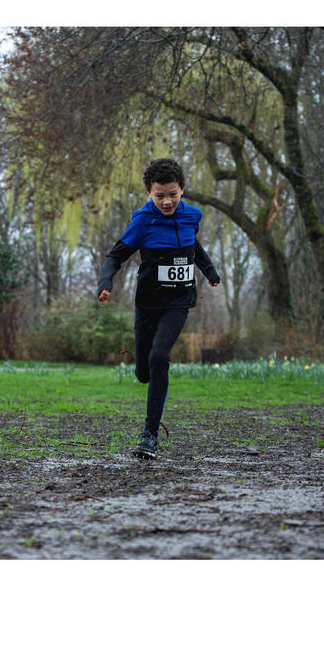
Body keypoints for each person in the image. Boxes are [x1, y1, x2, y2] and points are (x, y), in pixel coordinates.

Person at [97, 158, 220, 459]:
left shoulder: (193, 216)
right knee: (143, 372)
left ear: (182, 190)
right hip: (148, 303)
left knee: (159, 357)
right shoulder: (143, 221)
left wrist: (209, 271)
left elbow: (194, 244)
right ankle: (148, 376)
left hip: (178, 302)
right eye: (159, 195)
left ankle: (149, 435)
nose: (167, 201)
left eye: (173, 194)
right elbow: (115, 256)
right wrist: (105, 283)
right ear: (149, 193)